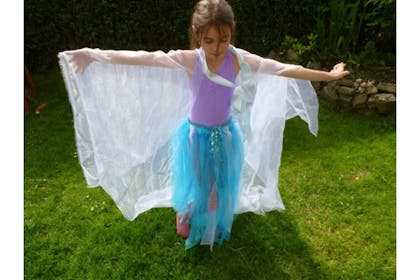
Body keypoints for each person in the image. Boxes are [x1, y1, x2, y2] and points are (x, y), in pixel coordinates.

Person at [58, 0, 349, 250]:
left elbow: (284, 69)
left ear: (231, 33)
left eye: (223, 39)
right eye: (209, 40)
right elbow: (142, 59)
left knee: (220, 183)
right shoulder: (189, 60)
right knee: (198, 181)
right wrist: (91, 54)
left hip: (226, 136)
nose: (217, 47)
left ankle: (216, 214)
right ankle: (187, 212)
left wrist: (329, 76)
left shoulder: (238, 58)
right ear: (198, 36)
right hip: (195, 137)